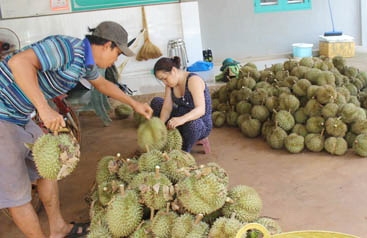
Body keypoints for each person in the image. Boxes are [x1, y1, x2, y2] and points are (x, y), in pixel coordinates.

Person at [0, 21, 152, 238]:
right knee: (17, 193)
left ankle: (58, 229)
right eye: (117, 54)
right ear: (107, 45)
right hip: (2, 116)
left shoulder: (85, 62)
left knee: (48, 171)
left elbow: (101, 84)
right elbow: (18, 62)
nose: (115, 60)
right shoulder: (67, 49)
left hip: (21, 115)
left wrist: (134, 103)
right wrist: (44, 109)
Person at [151, 56, 212, 152]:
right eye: (161, 80)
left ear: (174, 71)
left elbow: (201, 110)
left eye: (165, 78)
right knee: (156, 102)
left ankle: (184, 151)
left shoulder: (193, 80)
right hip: (181, 118)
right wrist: (161, 126)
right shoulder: (170, 85)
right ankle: (170, 139)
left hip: (200, 123)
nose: (164, 82)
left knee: (193, 125)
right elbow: (167, 108)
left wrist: (182, 119)